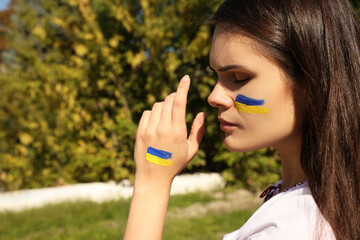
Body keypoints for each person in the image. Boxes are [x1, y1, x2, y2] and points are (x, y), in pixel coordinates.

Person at [124, 0, 360, 239]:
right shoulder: (325, 197)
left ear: (312, 81)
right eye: (217, 76)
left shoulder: (286, 229)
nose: (214, 97)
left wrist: (152, 183)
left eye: (239, 77)